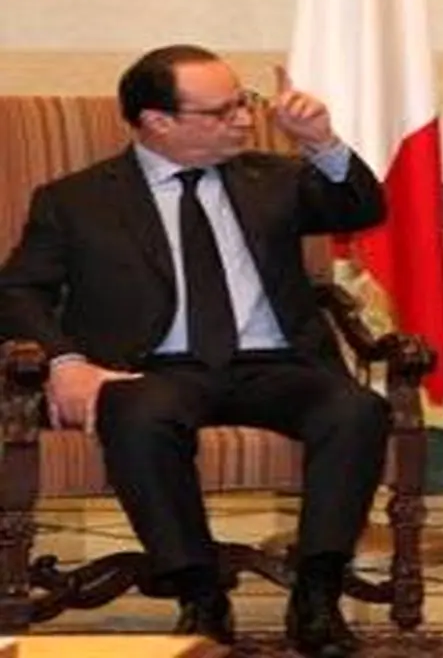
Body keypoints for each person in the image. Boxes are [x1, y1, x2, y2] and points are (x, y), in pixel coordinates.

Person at [0, 45, 392, 658]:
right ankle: (199, 593)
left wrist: (320, 141)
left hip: (275, 365)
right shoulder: (76, 199)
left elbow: (361, 207)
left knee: (357, 409)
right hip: (152, 369)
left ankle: (317, 593)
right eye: (222, 111)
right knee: (137, 413)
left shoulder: (274, 177)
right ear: (157, 121)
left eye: (244, 103)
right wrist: (66, 364)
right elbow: (19, 290)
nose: (244, 120)